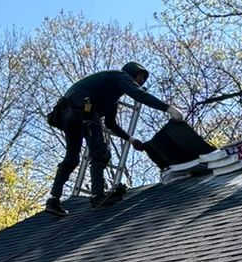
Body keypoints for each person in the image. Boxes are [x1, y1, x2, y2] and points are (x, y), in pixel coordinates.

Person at [44, 63, 185, 209]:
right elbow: (139, 95)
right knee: (100, 153)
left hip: (68, 114)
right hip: (82, 109)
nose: (142, 80)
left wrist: (131, 140)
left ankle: (54, 199)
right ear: (132, 72)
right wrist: (168, 109)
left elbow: (111, 124)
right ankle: (97, 196)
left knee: (72, 158)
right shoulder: (120, 75)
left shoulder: (111, 96)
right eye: (141, 76)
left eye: (144, 78)